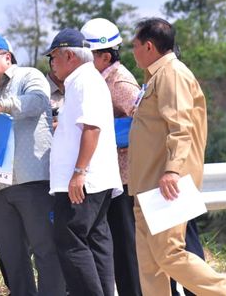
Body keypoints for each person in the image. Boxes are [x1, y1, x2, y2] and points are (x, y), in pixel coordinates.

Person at [129, 18, 226, 296]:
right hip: (146, 186)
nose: (133, 51)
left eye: (135, 45)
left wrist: (172, 170)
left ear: (149, 46)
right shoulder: (155, 77)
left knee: (170, 255)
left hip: (166, 184)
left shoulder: (172, 74)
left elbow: (181, 127)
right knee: (150, 266)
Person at [0, 32, 65, 296]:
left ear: (7, 56)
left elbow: (37, 102)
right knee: (12, 259)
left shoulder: (29, 76)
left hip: (33, 180)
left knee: (45, 250)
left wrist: (0, 106)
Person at [46, 28, 122, 296]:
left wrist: (79, 172)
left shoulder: (82, 81)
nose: (52, 64)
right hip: (95, 178)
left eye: (53, 57)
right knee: (96, 239)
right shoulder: (86, 80)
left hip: (83, 180)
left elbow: (92, 128)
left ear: (68, 55)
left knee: (69, 239)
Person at [81, 18, 142, 296]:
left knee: (127, 245)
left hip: (127, 176)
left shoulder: (119, 80)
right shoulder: (100, 78)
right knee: (117, 241)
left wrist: (113, 133)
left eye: (88, 54)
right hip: (114, 175)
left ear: (105, 56)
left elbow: (143, 119)